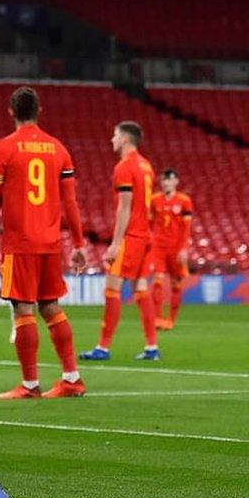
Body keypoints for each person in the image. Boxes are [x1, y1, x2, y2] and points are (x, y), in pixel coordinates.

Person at [0, 86, 87, 399]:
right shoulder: (58, 149)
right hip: (51, 242)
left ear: (11, 111)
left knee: (23, 309)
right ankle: (72, 377)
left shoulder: (3, 150)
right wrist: (78, 244)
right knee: (51, 306)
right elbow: (71, 204)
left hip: (20, 243)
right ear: (39, 111)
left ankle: (30, 384)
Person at [80, 121, 160, 361]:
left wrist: (115, 243)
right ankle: (151, 347)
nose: (111, 139)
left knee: (112, 289)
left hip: (132, 237)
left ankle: (103, 347)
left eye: (114, 135)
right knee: (141, 290)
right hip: (146, 236)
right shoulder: (147, 166)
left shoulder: (124, 167)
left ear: (125, 139)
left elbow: (124, 208)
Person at [149, 169, 193, 330]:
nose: (166, 182)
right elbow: (149, 224)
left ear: (176, 182)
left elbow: (187, 228)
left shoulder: (184, 200)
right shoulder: (155, 200)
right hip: (158, 246)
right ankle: (158, 318)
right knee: (157, 281)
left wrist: (184, 249)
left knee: (176, 283)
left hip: (176, 248)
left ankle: (171, 320)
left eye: (169, 179)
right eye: (164, 180)